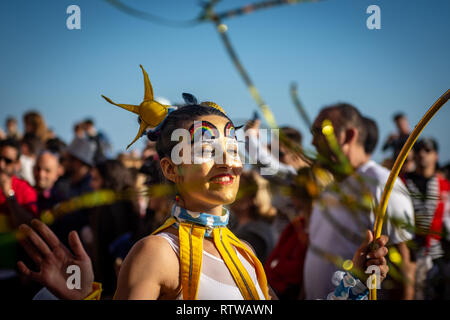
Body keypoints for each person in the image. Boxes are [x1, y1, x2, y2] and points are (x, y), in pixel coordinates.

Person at [17, 67, 389, 300]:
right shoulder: (157, 254)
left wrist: (354, 283)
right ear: (171, 168)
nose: (229, 160)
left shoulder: (244, 254)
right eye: (207, 149)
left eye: (232, 146)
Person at [304, 103, 415, 300]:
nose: (312, 142)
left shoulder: (383, 184)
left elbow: (403, 267)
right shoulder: (330, 188)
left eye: (319, 132)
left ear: (347, 136)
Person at [402, 138, 450, 299]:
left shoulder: (444, 186)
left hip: (437, 257)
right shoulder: (401, 182)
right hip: (408, 255)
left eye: (427, 150)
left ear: (436, 155)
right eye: (419, 150)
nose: (422, 154)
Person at [229, 170, 277, 264]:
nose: (231, 192)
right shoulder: (238, 224)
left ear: (252, 198)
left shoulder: (254, 234)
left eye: (238, 189)